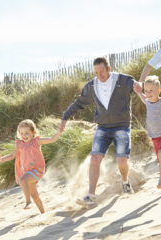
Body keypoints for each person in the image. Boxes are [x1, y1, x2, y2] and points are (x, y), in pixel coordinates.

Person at [59, 57, 140, 206]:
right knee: (95, 159)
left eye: (101, 71)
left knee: (122, 161)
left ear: (109, 69)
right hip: (102, 127)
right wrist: (65, 117)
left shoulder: (122, 80)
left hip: (121, 126)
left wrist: (139, 87)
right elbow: (79, 102)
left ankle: (125, 181)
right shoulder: (92, 86)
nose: (99, 75)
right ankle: (91, 195)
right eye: (96, 72)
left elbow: (136, 86)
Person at [0, 119, 62, 214]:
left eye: (27, 133)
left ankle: (28, 202)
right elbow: (12, 155)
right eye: (22, 133)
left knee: (23, 180)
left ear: (33, 132)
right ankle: (43, 213)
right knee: (34, 194)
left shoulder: (36, 141)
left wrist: (59, 132)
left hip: (37, 170)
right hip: (27, 172)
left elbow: (51, 139)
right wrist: (2, 159)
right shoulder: (19, 144)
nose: (24, 135)